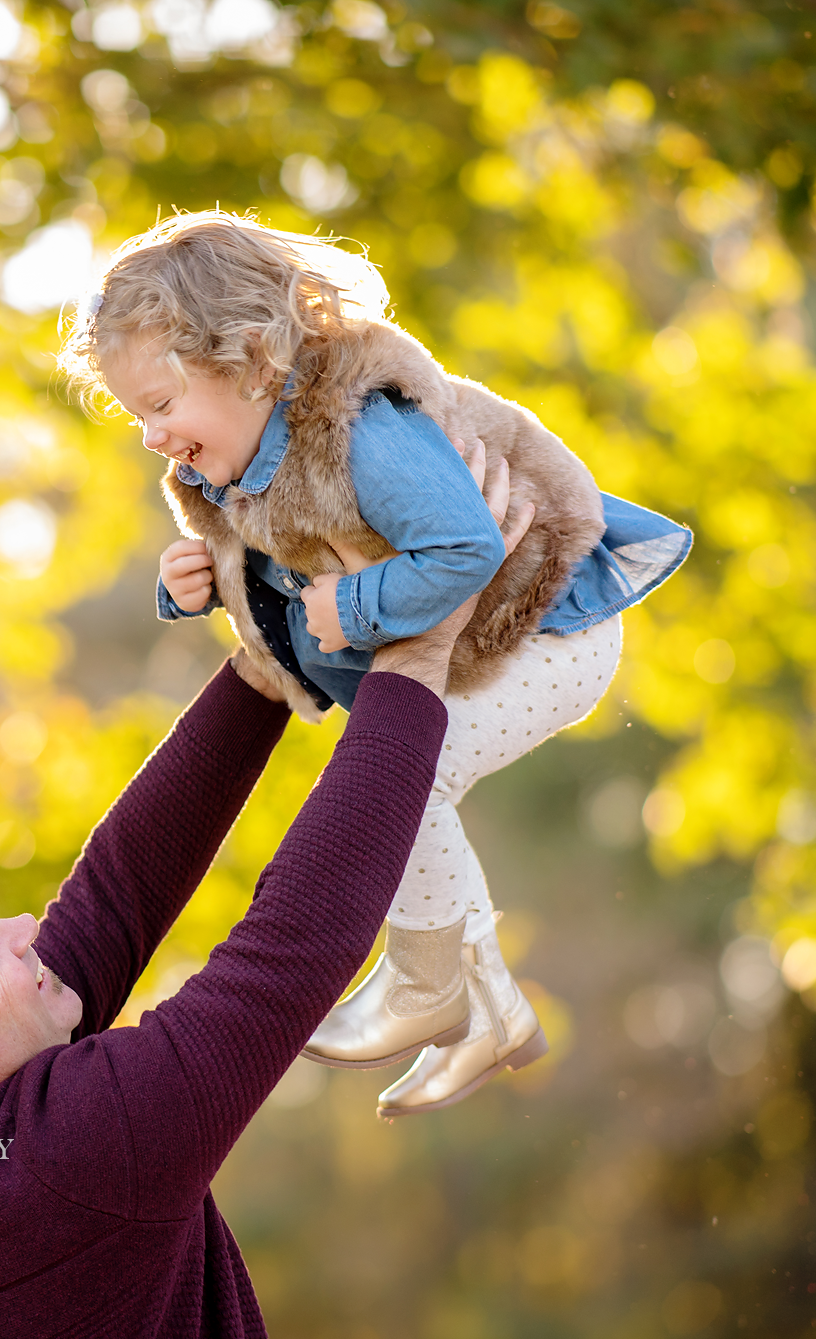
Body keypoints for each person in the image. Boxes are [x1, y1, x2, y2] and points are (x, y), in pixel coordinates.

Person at [0, 464, 506, 1339]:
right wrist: (417, 658)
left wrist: (262, 668)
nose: (25, 930)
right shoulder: (61, 1164)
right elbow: (287, 959)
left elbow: (109, 902)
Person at [57, 209, 692, 1115]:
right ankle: (487, 1017)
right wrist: (188, 583)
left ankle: (425, 983)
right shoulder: (237, 462)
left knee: (397, 786)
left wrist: (355, 605)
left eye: (161, 407)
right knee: (389, 782)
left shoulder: (363, 430)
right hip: (480, 649)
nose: (153, 436)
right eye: (138, 418)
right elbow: (270, 553)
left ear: (251, 358)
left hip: (551, 630)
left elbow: (466, 546)